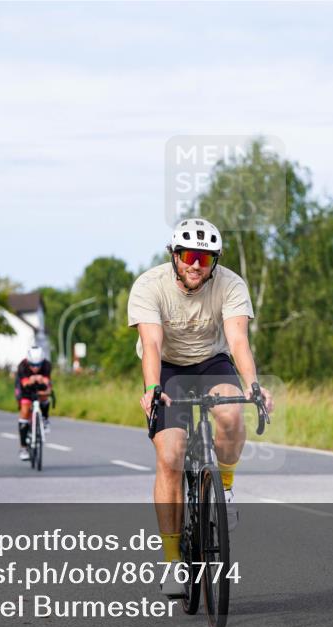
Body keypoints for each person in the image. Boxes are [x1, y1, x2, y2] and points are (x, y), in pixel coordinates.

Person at [128, 217, 274, 597]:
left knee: (230, 412)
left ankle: (223, 489)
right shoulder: (148, 285)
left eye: (205, 259)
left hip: (211, 361)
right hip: (169, 368)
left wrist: (253, 386)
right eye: (189, 255)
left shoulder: (231, 284)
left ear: (215, 261)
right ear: (174, 256)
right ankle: (174, 561)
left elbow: (238, 339)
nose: (196, 264)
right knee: (171, 454)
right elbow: (153, 345)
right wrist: (151, 387)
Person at [15, 346, 53, 461]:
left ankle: (45, 419)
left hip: (40, 386)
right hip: (25, 388)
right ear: (28, 362)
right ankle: (23, 448)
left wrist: (42, 382)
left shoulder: (46, 365)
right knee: (25, 410)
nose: (35, 368)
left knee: (45, 395)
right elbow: (25, 384)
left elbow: (46, 383)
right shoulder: (22, 366)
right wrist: (32, 379)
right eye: (32, 365)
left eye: (38, 365)